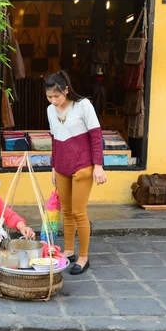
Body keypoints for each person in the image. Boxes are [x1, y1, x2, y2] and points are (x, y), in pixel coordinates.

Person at [45, 70, 107, 275]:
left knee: (79, 213)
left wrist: (98, 165)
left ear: (66, 90)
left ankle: (83, 257)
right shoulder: (50, 110)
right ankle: (69, 250)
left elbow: (96, 137)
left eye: (56, 96)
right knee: (67, 211)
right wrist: (53, 168)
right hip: (61, 167)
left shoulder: (83, 106)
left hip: (83, 166)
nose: (53, 100)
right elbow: (54, 140)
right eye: (49, 96)